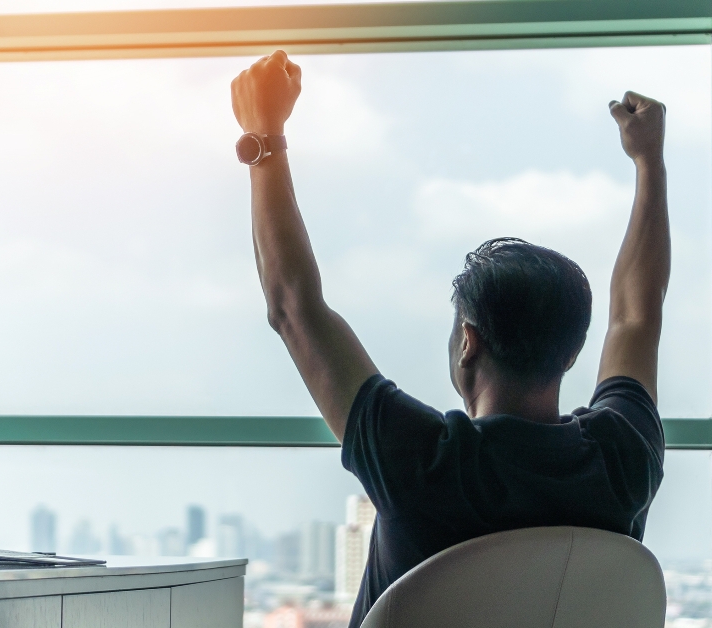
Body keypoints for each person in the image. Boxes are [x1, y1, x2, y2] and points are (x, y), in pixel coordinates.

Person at [231, 50, 668, 627]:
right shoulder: (621, 457)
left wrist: (264, 138)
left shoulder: (420, 460)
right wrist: (650, 162)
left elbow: (292, 306)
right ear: (571, 351)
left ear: (469, 342)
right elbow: (637, 316)